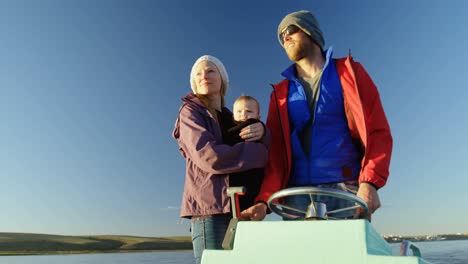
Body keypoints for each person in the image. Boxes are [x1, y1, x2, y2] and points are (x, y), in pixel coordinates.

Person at [241, 10, 393, 221]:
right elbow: (276, 155)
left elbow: (378, 131)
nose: (285, 37)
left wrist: (370, 182)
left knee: (346, 254)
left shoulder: (350, 73)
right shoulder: (280, 94)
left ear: (310, 31)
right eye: (281, 37)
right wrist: (262, 200)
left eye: (291, 30)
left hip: (345, 190)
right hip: (296, 196)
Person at [172, 55, 269, 264]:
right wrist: (262, 154)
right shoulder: (190, 112)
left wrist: (263, 130)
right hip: (210, 213)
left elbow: (267, 141)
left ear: (223, 80)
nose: (204, 76)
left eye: (210, 71)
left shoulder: (230, 117)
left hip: (239, 210)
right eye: (198, 73)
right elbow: (211, 157)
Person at [225, 95, 265, 212]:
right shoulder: (230, 127)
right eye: (239, 111)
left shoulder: (252, 125)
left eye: (249, 111)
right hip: (238, 177)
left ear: (258, 116)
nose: (243, 114)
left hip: (250, 178)